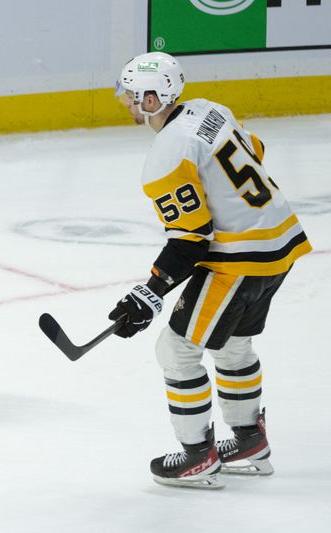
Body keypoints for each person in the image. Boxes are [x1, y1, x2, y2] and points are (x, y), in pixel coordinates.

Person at [111, 52, 311, 489]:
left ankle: (196, 456)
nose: (126, 101)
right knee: (234, 345)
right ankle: (248, 442)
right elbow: (254, 151)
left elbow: (190, 237)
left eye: (132, 94)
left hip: (241, 258)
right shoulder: (210, 109)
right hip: (280, 241)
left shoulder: (167, 152)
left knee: (177, 351)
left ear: (153, 98)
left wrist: (149, 292)